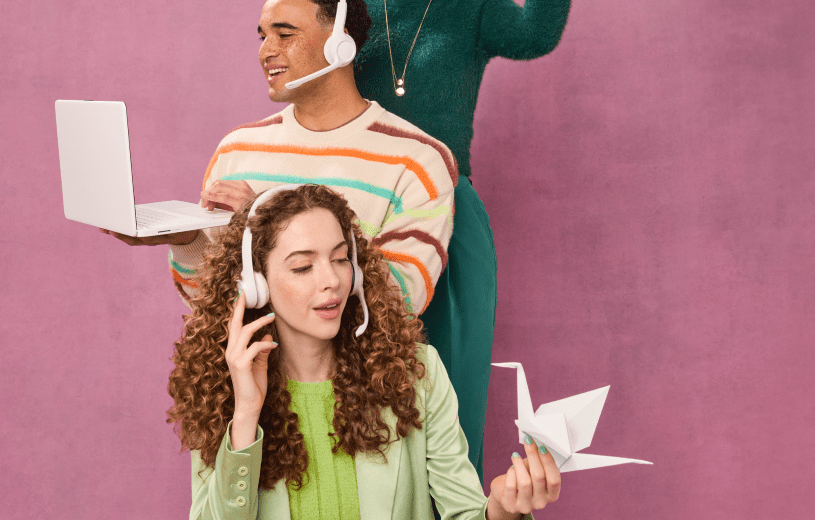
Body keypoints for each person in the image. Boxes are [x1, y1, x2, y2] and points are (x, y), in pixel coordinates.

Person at [330, 0, 626, 478]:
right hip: (362, 217)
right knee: (355, 380)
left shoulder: (474, 11)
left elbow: (537, 32)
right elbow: (312, 95)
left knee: (455, 375)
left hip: (452, 213)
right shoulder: (350, 14)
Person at [168, 184, 561, 519]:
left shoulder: (416, 374)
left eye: (341, 259)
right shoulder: (222, 389)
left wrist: (503, 510)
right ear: (257, 284)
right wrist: (246, 413)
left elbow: (466, 512)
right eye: (303, 267)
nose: (332, 281)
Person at [103, 0, 457, 319]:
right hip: (250, 374)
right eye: (262, 37)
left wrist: (270, 220)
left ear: (340, 44)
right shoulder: (237, 150)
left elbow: (399, 302)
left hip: (353, 375)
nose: (266, 52)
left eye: (285, 34)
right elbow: (208, 307)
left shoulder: (417, 161)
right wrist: (188, 242)